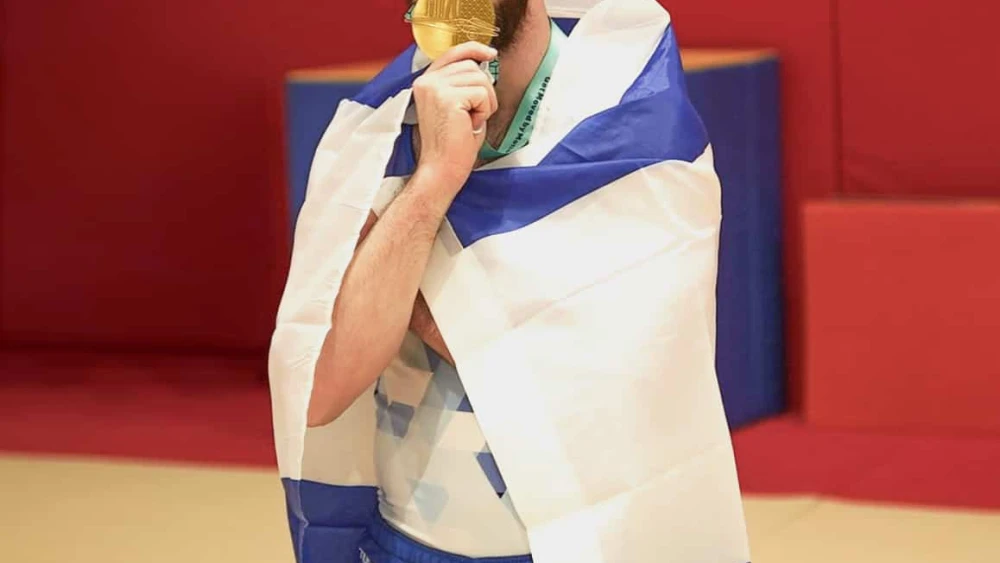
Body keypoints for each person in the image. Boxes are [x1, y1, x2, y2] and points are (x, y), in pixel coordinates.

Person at [269, 1, 752, 562]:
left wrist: (408, 284)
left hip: (584, 545)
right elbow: (324, 386)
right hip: (408, 542)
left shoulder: (638, 128)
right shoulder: (379, 131)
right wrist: (432, 184)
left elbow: (585, 383)